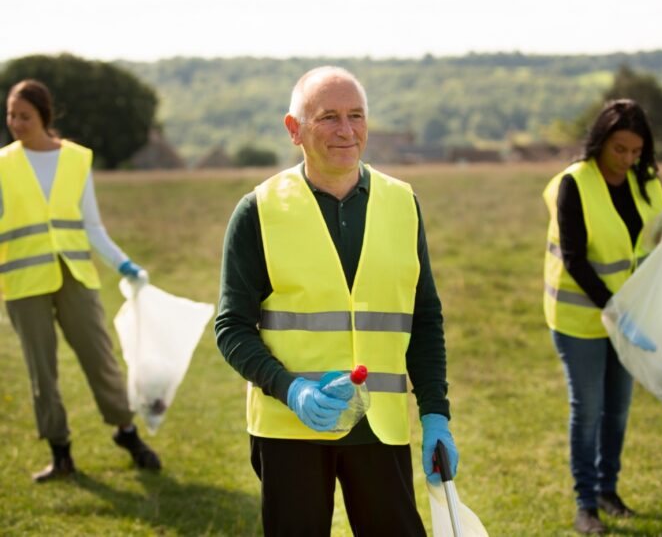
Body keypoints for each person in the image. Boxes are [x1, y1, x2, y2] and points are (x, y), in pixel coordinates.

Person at [215, 66, 458, 536]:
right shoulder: (258, 210)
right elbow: (232, 328)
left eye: (356, 115)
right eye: (328, 117)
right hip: (289, 428)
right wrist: (293, 390)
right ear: (294, 130)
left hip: (381, 426)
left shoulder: (402, 202)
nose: (346, 131)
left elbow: (424, 317)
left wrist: (434, 414)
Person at [543, 99, 662, 534]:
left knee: (618, 410)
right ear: (600, 143)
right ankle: (586, 504)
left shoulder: (646, 182)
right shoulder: (574, 184)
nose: (627, 160)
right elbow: (574, 258)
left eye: (636, 152)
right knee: (588, 409)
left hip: (631, 316)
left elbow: (661, 234)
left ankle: (609, 490)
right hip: (581, 319)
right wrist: (615, 310)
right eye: (619, 150)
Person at [1, 79, 161, 482]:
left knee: (99, 358)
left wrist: (125, 265)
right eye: (10, 115)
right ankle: (61, 452)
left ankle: (126, 432)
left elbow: (91, 226)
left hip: (76, 276)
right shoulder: (2, 164)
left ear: (44, 116)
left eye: (24, 116)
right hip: (23, 284)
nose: (15, 123)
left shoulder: (75, 160)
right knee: (43, 371)